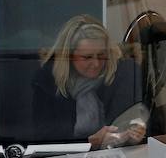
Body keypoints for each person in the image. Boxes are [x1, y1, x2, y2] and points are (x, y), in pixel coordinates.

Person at [30, 15, 150, 149]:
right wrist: (89, 143)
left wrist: (136, 132)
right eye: (87, 57)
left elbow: (141, 116)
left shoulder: (124, 72)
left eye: (101, 55)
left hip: (118, 155)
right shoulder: (48, 81)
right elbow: (43, 138)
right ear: (68, 56)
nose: (96, 63)